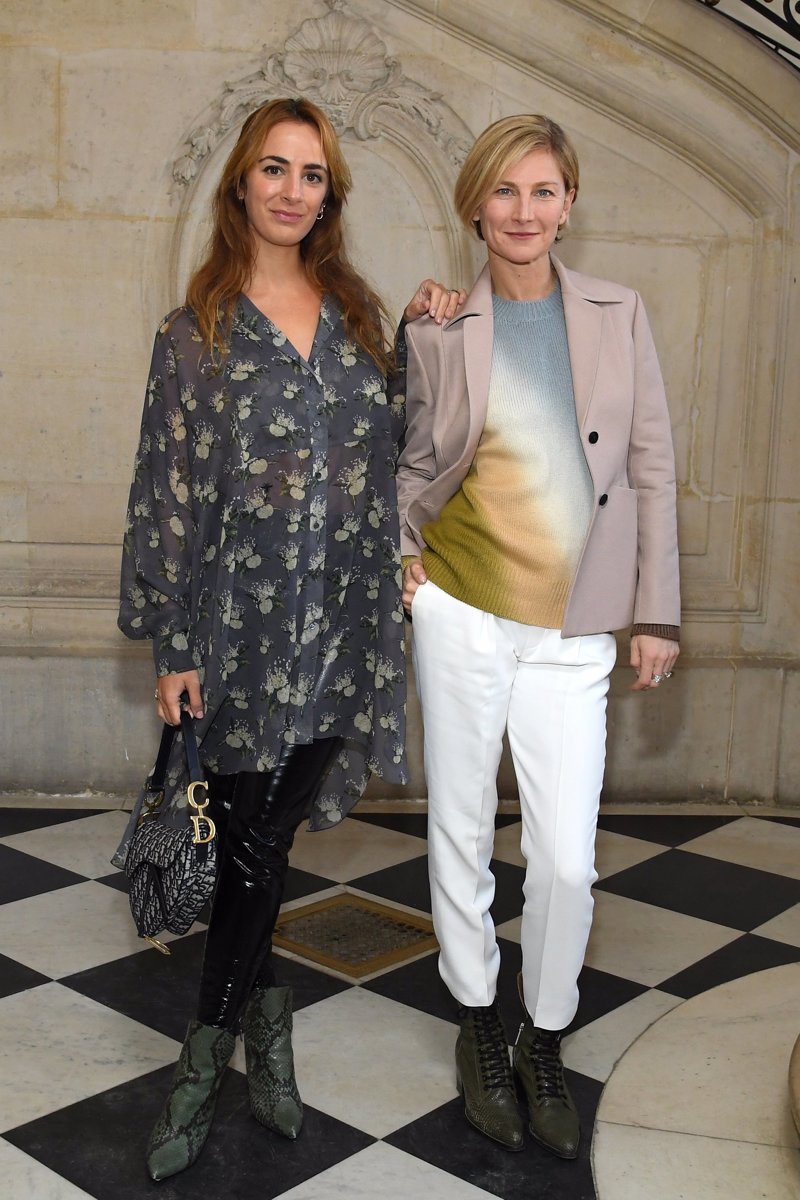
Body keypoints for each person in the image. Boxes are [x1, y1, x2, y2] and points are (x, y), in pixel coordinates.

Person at [118, 96, 463, 1181]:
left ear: (329, 197)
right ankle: (239, 1046)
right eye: (274, 168)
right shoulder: (195, 333)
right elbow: (165, 493)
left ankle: (224, 1054)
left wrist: (435, 329)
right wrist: (173, 646)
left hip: (344, 631)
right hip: (238, 637)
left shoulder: (360, 321)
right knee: (252, 846)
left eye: (311, 174)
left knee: (260, 845)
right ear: (241, 183)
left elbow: (414, 444)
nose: (291, 190)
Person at [397, 114, 680, 1161]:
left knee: (563, 856)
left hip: (575, 627)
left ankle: (543, 1031)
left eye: (544, 190)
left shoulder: (617, 312)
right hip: (461, 609)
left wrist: (656, 610)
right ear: (475, 205)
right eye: (504, 190)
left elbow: (649, 464)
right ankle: (478, 1021)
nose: (524, 210)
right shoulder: (436, 324)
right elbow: (403, 454)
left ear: (568, 203)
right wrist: (403, 558)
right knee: (461, 827)